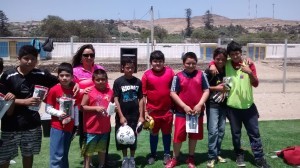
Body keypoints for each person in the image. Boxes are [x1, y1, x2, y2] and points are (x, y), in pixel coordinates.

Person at [0, 45, 74, 168]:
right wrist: (25, 102)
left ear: (37, 59)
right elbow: (3, 100)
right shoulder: (8, 75)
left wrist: (74, 84)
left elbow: (61, 81)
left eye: (33, 59)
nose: (30, 61)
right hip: (10, 123)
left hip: (32, 123)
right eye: (26, 58)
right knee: (5, 156)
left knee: (28, 154)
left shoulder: (41, 74)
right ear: (19, 58)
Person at [210, 41, 270, 168]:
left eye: (237, 53)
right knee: (236, 134)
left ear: (241, 52)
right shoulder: (227, 64)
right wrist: (211, 65)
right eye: (232, 54)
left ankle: (259, 158)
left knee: (254, 134)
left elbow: (255, 83)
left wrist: (249, 72)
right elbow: (217, 61)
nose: (236, 56)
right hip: (232, 108)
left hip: (249, 107)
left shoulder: (249, 64)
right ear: (229, 55)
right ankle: (238, 154)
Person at [71, 44, 115, 167]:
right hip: (83, 107)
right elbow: (70, 89)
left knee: (104, 133)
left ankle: (103, 161)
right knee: (86, 135)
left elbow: (106, 87)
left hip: (102, 109)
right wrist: (81, 91)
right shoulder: (75, 71)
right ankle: (87, 163)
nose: (89, 57)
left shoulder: (99, 68)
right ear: (81, 57)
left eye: (92, 55)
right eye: (86, 55)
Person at [166, 52, 209, 168]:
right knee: (178, 137)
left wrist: (200, 104)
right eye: (188, 63)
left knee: (193, 136)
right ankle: (175, 158)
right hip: (181, 113)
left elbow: (206, 90)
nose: (191, 65)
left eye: (193, 63)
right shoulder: (178, 76)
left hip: (196, 112)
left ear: (196, 63)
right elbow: (172, 93)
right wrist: (184, 106)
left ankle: (191, 157)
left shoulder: (201, 75)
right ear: (183, 63)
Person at [141, 50, 174, 165]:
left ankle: (166, 154)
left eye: (160, 61)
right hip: (152, 112)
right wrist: (145, 111)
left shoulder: (170, 72)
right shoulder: (146, 75)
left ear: (163, 62)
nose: (158, 64)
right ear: (151, 62)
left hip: (167, 111)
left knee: (166, 133)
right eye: (155, 61)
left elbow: (174, 90)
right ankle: (153, 154)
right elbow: (143, 95)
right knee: (153, 134)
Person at [44, 62, 80, 168]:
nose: (64, 78)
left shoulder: (74, 89)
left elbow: (76, 108)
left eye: (67, 75)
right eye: (61, 75)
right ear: (58, 76)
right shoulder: (54, 89)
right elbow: (48, 108)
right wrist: (60, 113)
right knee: (56, 157)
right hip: (57, 127)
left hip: (69, 127)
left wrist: (76, 125)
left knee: (64, 155)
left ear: (72, 77)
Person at [113, 57, 144, 168]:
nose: (130, 70)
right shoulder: (118, 82)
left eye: (132, 68)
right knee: (123, 138)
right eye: (127, 68)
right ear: (122, 68)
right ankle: (125, 159)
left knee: (133, 138)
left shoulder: (138, 82)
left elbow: (141, 99)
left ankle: (132, 159)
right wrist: (121, 116)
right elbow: (116, 99)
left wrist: (141, 116)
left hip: (134, 116)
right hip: (122, 117)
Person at [81, 69, 113, 168]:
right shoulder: (89, 91)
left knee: (102, 149)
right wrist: (96, 108)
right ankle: (87, 166)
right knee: (89, 151)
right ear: (93, 80)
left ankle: (102, 165)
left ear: (107, 80)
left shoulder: (110, 91)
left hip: (105, 127)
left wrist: (113, 109)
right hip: (91, 128)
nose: (101, 82)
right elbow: (82, 107)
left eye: (103, 79)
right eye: (98, 80)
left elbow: (111, 106)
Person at [204, 48, 228, 168]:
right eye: (217, 59)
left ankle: (217, 153)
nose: (220, 61)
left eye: (223, 59)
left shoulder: (227, 69)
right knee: (213, 131)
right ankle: (211, 156)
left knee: (221, 130)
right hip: (212, 105)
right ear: (214, 58)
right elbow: (203, 87)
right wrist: (217, 88)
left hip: (224, 105)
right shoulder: (209, 71)